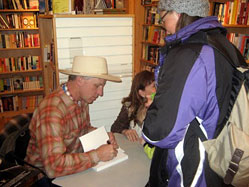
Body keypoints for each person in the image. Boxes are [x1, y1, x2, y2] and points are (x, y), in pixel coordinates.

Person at [142, 0, 248, 187]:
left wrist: (155, 110)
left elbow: (161, 132)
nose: (163, 25)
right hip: (220, 157)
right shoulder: (224, 46)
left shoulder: (188, 54)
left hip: (193, 168)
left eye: (163, 17)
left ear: (178, 13)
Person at [25, 56, 121, 182]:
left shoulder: (82, 100)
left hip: (72, 166)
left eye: (102, 86)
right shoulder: (52, 111)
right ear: (80, 80)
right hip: (46, 177)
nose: (100, 93)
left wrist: (101, 136)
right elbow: (53, 167)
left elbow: (82, 129)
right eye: (97, 85)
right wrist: (97, 155)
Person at [111, 70, 156, 159]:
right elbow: (114, 128)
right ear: (142, 93)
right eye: (154, 86)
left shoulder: (160, 105)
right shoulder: (129, 106)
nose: (157, 89)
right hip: (135, 151)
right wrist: (125, 131)